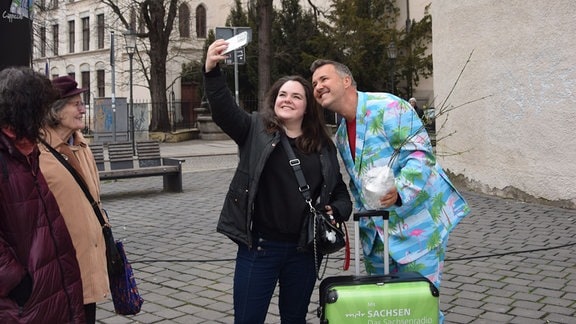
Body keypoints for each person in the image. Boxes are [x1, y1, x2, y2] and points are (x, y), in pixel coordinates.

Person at [310, 59, 470, 323]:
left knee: (418, 306)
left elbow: (421, 155)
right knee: (383, 310)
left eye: (324, 79)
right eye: (314, 83)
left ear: (346, 80)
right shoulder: (340, 134)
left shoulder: (389, 107)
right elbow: (358, 183)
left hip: (417, 227)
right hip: (376, 236)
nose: (318, 86)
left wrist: (400, 190)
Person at [204, 40, 352, 324]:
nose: (287, 99)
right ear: (274, 100)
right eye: (282, 94)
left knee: (294, 319)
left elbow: (341, 195)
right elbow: (223, 110)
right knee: (248, 319)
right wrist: (211, 71)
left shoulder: (322, 145)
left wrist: (336, 210)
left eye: (297, 96)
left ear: (307, 106)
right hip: (259, 248)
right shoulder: (254, 129)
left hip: (304, 251)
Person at [0, 67, 86, 323]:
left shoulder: (28, 151)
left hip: (54, 287)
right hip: (24, 300)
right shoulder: (10, 155)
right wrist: (16, 282)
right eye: (40, 107)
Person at [38, 76, 110, 324]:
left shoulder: (83, 146)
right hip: (57, 273)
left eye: (82, 103)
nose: (82, 109)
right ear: (56, 111)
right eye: (75, 104)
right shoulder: (39, 153)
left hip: (89, 262)